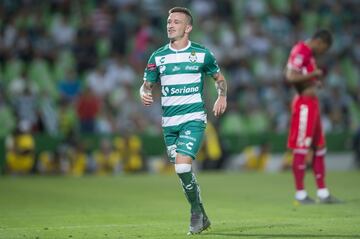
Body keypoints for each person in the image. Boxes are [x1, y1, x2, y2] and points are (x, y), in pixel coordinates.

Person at [139, 7, 227, 234]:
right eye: (169, 21)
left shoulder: (202, 54)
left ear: (188, 28)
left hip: (193, 119)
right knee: (181, 170)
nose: (170, 25)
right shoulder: (157, 56)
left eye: (176, 21)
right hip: (169, 123)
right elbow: (147, 83)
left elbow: (218, 78)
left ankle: (195, 215)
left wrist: (222, 95)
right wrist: (144, 91)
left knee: (182, 165)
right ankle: (201, 213)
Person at [285, 29, 341, 204]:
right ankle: (300, 193)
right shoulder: (301, 50)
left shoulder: (308, 54)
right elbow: (290, 76)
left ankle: (323, 192)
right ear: (320, 42)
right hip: (303, 105)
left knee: (319, 147)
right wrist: (314, 75)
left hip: (312, 105)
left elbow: (297, 74)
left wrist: (315, 82)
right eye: (324, 48)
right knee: (302, 147)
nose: (323, 52)